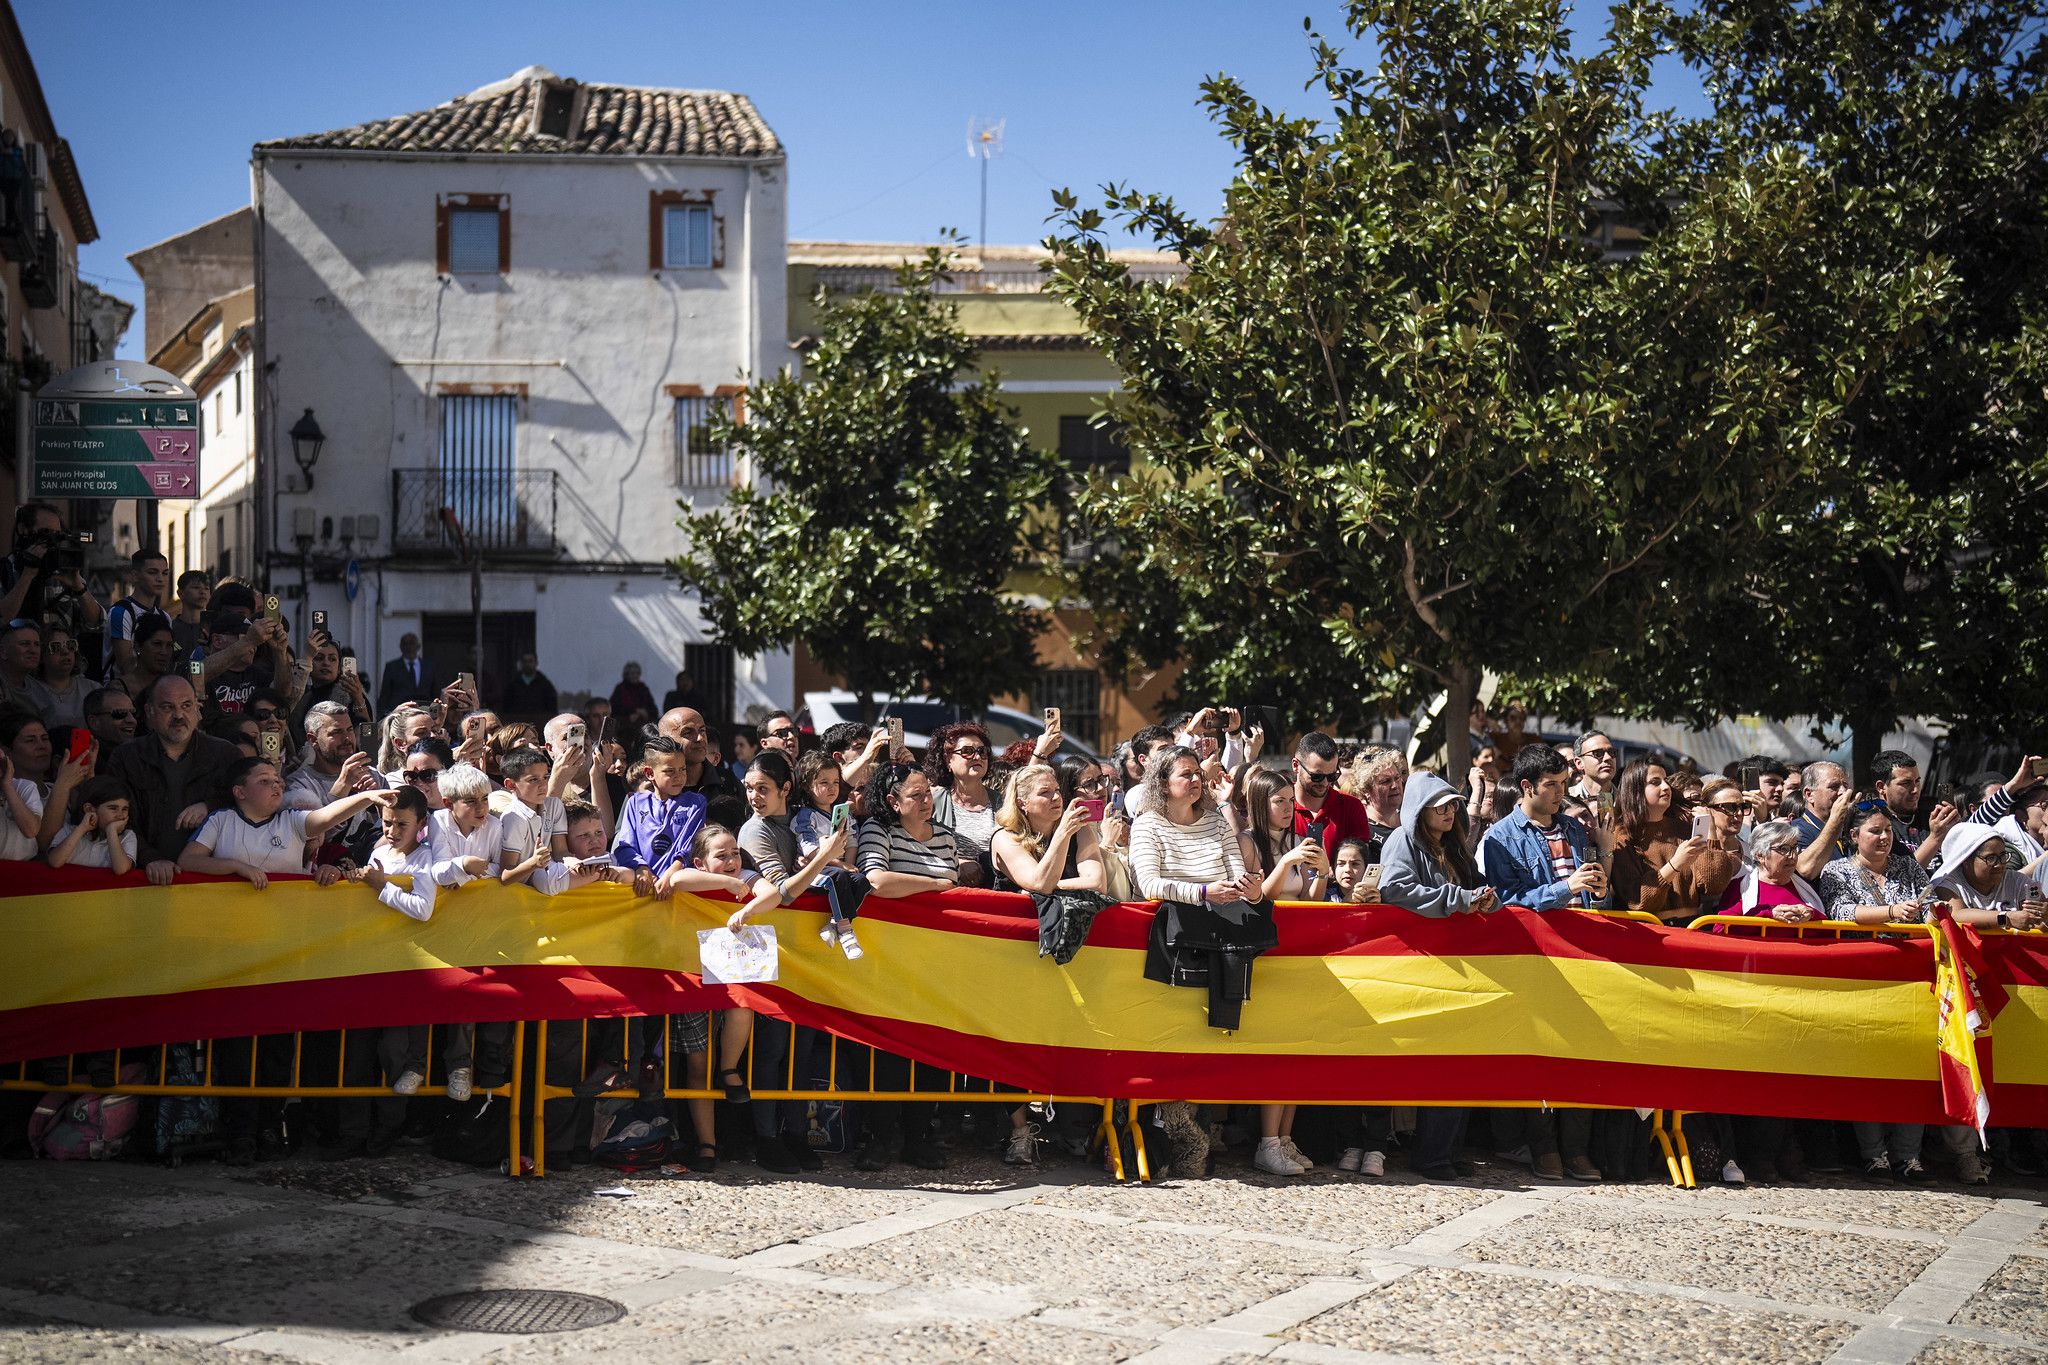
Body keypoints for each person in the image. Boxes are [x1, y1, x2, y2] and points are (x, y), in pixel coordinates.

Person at [1128, 745, 1273, 1175]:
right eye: (1185, 774)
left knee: (1209, 1038)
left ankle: (1195, 1131)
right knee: (1171, 1037)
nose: (1195, 780)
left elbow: (1235, 875)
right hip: (1172, 944)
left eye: (1197, 773)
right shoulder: (1148, 824)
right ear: (1162, 783)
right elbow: (1149, 882)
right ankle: (1167, 1131)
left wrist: (1252, 890)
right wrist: (1203, 893)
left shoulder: (1216, 821)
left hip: (1221, 938)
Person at [1478, 744, 1609, 1182]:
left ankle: (1576, 1149)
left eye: (1562, 784)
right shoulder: (1500, 837)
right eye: (1551, 786)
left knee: (1582, 1050)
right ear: (1526, 787)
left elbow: (1591, 893)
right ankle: (1544, 1148)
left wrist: (1597, 889)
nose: (1559, 793)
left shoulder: (1575, 830)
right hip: (1537, 959)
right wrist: (1563, 888)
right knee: (1542, 1052)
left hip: (1582, 955)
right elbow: (1506, 902)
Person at [733, 750, 854, 1174]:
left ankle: (796, 1134)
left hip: (804, 951)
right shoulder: (754, 832)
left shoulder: (804, 819)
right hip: (768, 948)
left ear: (786, 789)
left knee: (801, 1051)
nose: (753, 796)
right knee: (771, 1049)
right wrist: (825, 856)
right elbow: (783, 891)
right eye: (749, 788)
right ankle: (766, 1137)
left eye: (762, 788)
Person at [1376, 772, 1498, 1180]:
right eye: (1440, 805)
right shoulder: (1402, 841)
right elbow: (1396, 889)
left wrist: (1483, 897)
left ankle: (1448, 1152)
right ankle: (1430, 1156)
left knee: (1462, 1063)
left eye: (1453, 805)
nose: (1449, 811)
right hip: (1424, 966)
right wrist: (1459, 901)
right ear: (1420, 809)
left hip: (1457, 967)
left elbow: (1468, 887)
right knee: (1443, 1064)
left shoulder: (1453, 845)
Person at [854, 762, 961, 1171]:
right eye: (915, 795)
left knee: (931, 1050)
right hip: (888, 961)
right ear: (892, 802)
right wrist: (934, 887)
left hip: (936, 961)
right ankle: (880, 1138)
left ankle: (919, 1137)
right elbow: (877, 881)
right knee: (887, 1053)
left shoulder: (947, 838)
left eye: (927, 793)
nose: (925, 801)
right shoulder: (879, 832)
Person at [105, 674, 244, 885]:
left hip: (213, 881)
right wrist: (151, 858)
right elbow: (116, 817)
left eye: (186, 705)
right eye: (168, 707)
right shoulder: (126, 757)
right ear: (149, 712)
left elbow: (248, 806)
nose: (179, 715)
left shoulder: (227, 754)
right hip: (145, 878)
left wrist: (210, 806)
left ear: (198, 709)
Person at [178, 757, 388, 887]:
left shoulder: (292, 821)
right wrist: (237, 867)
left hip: (284, 928)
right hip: (229, 923)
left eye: (277, 780)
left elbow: (327, 816)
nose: (276, 785)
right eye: (264, 781)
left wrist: (367, 797)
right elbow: (187, 861)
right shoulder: (220, 820)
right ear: (240, 792)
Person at [1608, 759, 1740, 925]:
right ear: (1636, 790)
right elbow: (1637, 902)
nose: (1665, 787)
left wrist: (1711, 833)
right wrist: (1676, 864)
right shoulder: (1622, 836)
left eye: (1666, 781)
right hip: (1649, 932)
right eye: (1655, 782)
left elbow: (1714, 884)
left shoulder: (1684, 828)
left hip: (1692, 927)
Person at [610, 735, 709, 895]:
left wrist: (670, 875)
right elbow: (626, 844)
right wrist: (641, 868)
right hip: (642, 887)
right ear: (649, 773)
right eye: (670, 771)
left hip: (679, 890)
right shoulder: (634, 802)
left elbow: (689, 846)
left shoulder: (696, 803)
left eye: (683, 769)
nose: (679, 776)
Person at [791, 748, 867, 955]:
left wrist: (851, 864)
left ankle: (834, 923)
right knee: (839, 877)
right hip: (813, 871)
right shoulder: (805, 816)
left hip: (840, 869)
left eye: (835, 782)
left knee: (862, 881)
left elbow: (851, 840)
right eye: (824, 783)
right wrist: (842, 865)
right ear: (808, 786)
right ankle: (846, 932)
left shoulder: (843, 812)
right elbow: (811, 851)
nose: (832, 788)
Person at [1238, 763, 1329, 902]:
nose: (1289, 808)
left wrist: (1322, 873)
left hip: (1297, 920)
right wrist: (1286, 862)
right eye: (1279, 801)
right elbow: (1260, 899)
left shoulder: (1298, 841)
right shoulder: (1247, 841)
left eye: (1291, 800)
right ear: (1260, 804)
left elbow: (1309, 902)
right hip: (1266, 921)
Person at [1928, 823, 2045, 930]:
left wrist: (2044, 914)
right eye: (1991, 858)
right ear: (1966, 860)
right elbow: (1956, 914)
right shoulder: (1948, 883)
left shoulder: (2021, 882)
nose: (1999, 864)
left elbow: (2037, 919)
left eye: (2003, 856)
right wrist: (2006, 918)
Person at [926, 721, 998, 887]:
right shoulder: (931, 802)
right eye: (967, 752)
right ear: (948, 759)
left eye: (982, 751)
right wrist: (959, 863)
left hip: (997, 893)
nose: (977, 756)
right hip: (950, 895)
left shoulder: (1003, 802)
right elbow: (918, 848)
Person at [1867, 748, 1957, 872]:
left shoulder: (1933, 818)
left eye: (1917, 782)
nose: (1915, 790)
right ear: (1881, 787)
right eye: (1906, 783)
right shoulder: (1873, 826)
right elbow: (1902, 877)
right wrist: (1935, 838)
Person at [655, 706, 745, 829]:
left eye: (702, 731)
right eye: (688, 732)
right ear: (665, 739)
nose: (700, 738)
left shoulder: (727, 782)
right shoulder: (651, 786)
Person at [1290, 732, 1375, 861]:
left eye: (1332, 776)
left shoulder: (1351, 807)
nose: (1325, 783)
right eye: (1316, 776)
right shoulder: (1277, 803)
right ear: (1296, 766)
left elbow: (1357, 863)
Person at [497, 747, 570, 892]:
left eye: (546, 777)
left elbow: (561, 853)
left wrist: (578, 864)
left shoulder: (554, 805)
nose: (543, 785)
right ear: (511, 785)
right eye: (533, 780)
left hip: (544, 877)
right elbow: (505, 877)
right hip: (517, 891)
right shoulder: (514, 818)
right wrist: (533, 864)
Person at [46, 774, 137, 874]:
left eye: (125, 809)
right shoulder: (69, 831)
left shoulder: (127, 836)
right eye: (113, 808)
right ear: (89, 809)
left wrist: (111, 831)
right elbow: (55, 861)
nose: (120, 815)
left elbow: (121, 869)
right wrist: (82, 828)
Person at [105, 549, 172, 677]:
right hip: (120, 693)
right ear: (135, 576)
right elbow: (126, 667)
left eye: (165, 573)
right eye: (152, 572)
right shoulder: (121, 613)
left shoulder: (165, 617)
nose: (160, 579)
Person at [291, 632, 372, 734]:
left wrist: (358, 699)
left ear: (339, 668)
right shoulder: (301, 695)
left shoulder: (350, 694)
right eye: (319, 658)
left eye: (332, 659)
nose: (326, 663)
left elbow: (368, 735)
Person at [1340, 747, 1407, 857]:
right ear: (1366, 790)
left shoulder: (1409, 821)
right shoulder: (1359, 828)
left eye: (1397, 778)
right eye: (1385, 781)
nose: (1395, 785)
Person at [24, 622, 88, 732]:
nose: (65, 651)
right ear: (41, 655)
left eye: (70, 645)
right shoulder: (28, 692)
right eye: (55, 647)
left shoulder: (92, 689)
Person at [378, 633, 438, 713]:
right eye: (405, 644)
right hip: (400, 714)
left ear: (418, 646)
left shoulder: (429, 667)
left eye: (412, 643)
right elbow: (385, 695)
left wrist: (435, 714)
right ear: (401, 647)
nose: (409, 647)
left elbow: (434, 693)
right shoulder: (392, 667)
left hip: (425, 713)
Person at [499, 652, 558, 723]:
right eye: (525, 661)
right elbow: (506, 706)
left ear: (536, 663)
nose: (527, 664)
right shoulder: (513, 684)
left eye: (530, 661)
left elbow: (552, 708)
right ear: (521, 664)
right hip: (517, 724)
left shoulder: (545, 684)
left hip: (539, 723)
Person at [1568, 732, 1619, 810]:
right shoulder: (1564, 798)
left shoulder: (1629, 800)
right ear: (1579, 763)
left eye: (1612, 752)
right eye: (1598, 753)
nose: (1608, 757)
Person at [81, 686, 137, 756]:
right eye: (120, 713)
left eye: (133, 713)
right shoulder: (82, 761)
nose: (132, 720)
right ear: (94, 722)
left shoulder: (141, 752)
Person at [170, 571, 211, 656]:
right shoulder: (171, 629)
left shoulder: (212, 629)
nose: (202, 592)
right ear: (181, 593)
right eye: (196, 587)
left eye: (206, 588)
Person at [608, 662, 657, 727]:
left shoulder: (643, 689)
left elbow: (654, 709)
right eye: (632, 673)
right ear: (627, 675)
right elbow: (614, 708)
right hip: (625, 725)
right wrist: (633, 712)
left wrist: (645, 712)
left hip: (643, 725)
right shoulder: (620, 689)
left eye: (637, 673)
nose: (635, 676)